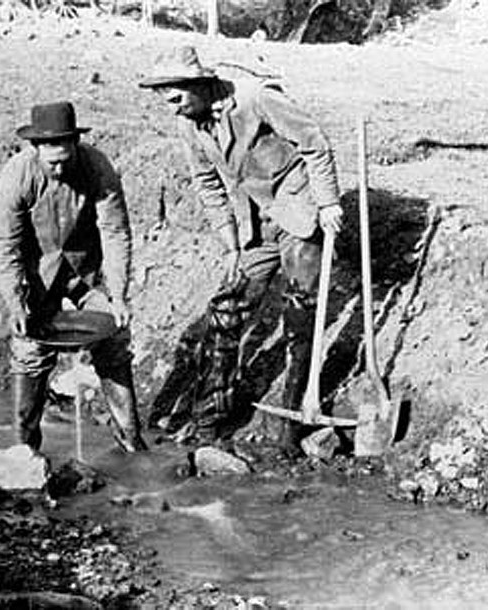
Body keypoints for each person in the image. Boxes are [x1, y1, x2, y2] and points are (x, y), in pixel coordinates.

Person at [139, 46, 343, 454]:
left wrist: (329, 201)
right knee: (226, 308)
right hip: (256, 223)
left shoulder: (256, 97)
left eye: (177, 98)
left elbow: (314, 141)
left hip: (299, 209)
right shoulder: (190, 124)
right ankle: (211, 418)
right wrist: (231, 243)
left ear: (200, 85)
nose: (174, 109)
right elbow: (208, 184)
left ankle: (293, 424)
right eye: (167, 101)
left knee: (299, 312)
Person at [0, 101, 147, 454]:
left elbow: (115, 231)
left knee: (114, 338)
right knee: (28, 349)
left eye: (66, 159)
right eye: (52, 162)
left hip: (86, 272)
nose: (60, 168)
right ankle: (24, 450)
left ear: (76, 145)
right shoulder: (18, 176)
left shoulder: (97, 167)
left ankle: (130, 442)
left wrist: (119, 296)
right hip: (37, 275)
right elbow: (6, 246)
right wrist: (16, 303)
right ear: (37, 150)